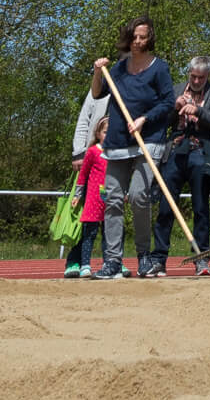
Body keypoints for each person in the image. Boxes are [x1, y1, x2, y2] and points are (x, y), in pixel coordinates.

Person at [89, 16, 174, 280]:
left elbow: (169, 102)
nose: (138, 41)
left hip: (149, 140)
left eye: (143, 37)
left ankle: (144, 257)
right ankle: (112, 260)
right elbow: (96, 93)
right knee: (113, 199)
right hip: (117, 142)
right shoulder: (119, 68)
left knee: (138, 195)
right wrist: (97, 71)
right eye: (134, 37)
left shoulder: (159, 68)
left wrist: (144, 118)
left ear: (150, 39)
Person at [155, 55, 210, 276]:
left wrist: (198, 111)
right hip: (175, 149)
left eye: (201, 78)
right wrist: (175, 108)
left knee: (200, 207)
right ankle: (159, 258)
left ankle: (201, 259)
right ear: (189, 73)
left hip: (201, 150)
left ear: (208, 76)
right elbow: (160, 121)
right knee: (166, 205)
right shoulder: (176, 89)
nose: (196, 81)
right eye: (193, 77)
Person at [63, 128, 106, 278]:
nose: (108, 135)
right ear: (98, 134)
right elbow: (83, 174)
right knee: (90, 231)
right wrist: (78, 195)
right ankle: (85, 264)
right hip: (93, 197)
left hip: (108, 196)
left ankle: (110, 262)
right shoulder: (93, 151)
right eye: (105, 132)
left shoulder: (115, 151)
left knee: (109, 231)